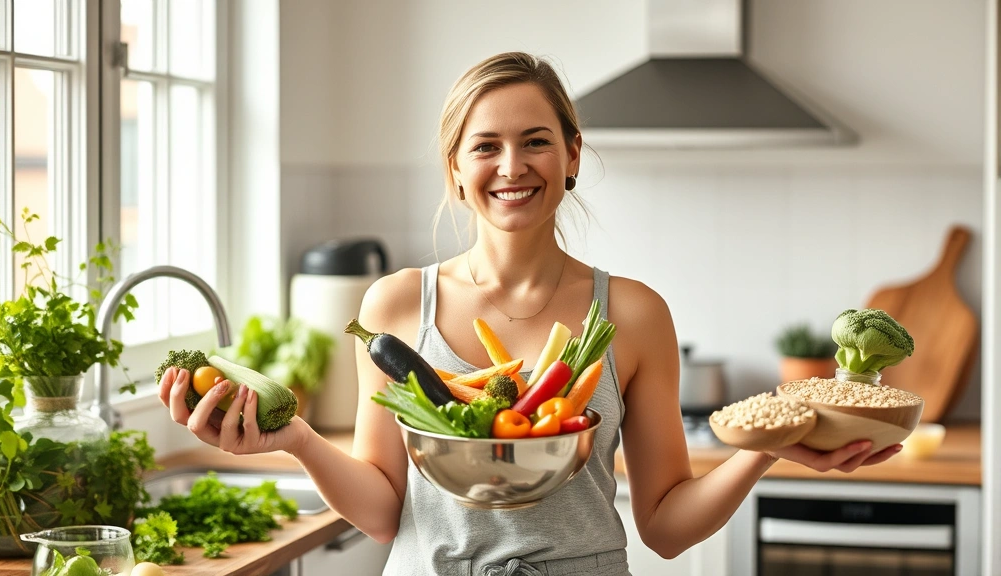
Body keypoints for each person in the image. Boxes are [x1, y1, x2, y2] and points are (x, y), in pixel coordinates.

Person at [157, 51, 902, 575]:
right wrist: (297, 440)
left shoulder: (635, 314)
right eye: (486, 147)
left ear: (572, 156)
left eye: (536, 142)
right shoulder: (393, 305)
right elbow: (386, 511)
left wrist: (764, 447)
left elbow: (668, 527)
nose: (512, 167)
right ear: (455, 171)